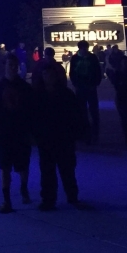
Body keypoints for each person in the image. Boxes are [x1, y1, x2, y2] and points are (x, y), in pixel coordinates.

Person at [0, 53, 34, 213]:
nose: (13, 68)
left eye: (15, 66)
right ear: (5, 67)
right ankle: (7, 201)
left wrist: (30, 131)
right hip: (4, 135)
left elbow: (31, 111)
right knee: (5, 167)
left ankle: (23, 187)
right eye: (10, 65)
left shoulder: (26, 88)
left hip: (21, 133)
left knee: (23, 166)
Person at [32, 61, 80, 210]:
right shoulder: (38, 95)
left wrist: (74, 133)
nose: (48, 77)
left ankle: (72, 196)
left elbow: (75, 116)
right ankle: (48, 199)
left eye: (50, 74)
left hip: (63, 138)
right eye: (45, 74)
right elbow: (32, 116)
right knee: (47, 171)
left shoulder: (66, 94)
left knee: (67, 170)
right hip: (46, 139)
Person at [69, 40, 103, 144]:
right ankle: (86, 133)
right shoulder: (75, 58)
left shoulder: (92, 58)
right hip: (81, 88)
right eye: (82, 48)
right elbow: (72, 73)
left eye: (85, 48)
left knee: (94, 112)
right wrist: (76, 84)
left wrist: (96, 83)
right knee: (82, 112)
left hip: (90, 87)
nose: (84, 50)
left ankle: (94, 134)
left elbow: (98, 71)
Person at [107, 51, 127, 147]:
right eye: (123, 63)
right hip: (122, 98)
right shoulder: (118, 73)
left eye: (125, 63)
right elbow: (115, 84)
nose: (124, 65)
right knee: (124, 119)